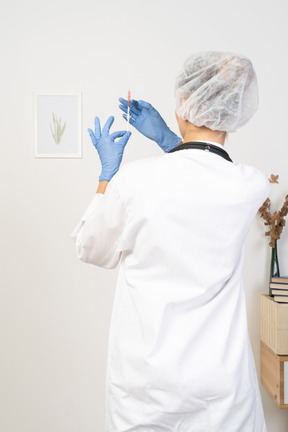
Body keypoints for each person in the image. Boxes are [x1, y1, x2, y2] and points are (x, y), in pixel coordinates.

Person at [71, 51, 270, 431]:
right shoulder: (250, 184)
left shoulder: (134, 180)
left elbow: (91, 248)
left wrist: (106, 175)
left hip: (146, 388)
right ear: (235, 111)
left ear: (183, 103)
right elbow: (205, 175)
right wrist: (169, 140)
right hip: (221, 390)